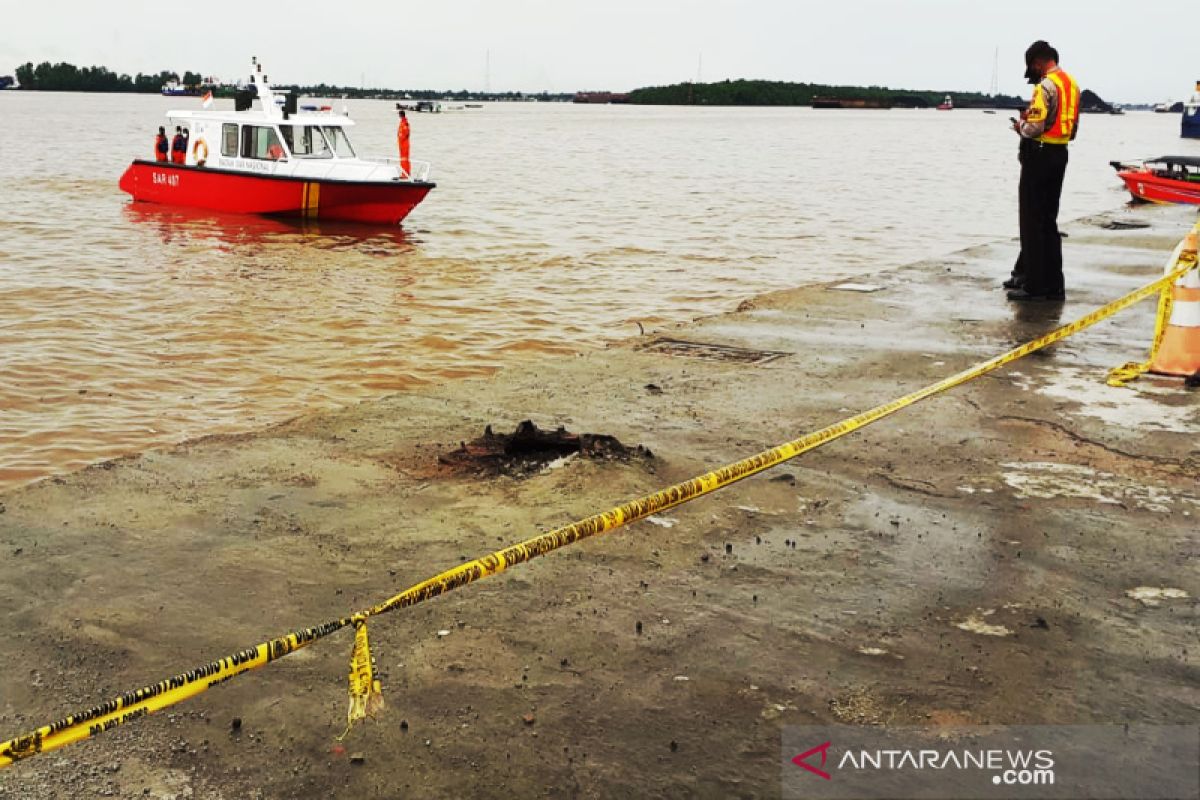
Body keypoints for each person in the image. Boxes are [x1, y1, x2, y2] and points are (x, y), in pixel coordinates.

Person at [1006, 41, 1080, 302]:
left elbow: (1035, 127)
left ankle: (1035, 286)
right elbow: (1072, 127)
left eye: (1032, 66)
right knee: (1048, 221)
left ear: (1037, 62)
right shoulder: (1071, 84)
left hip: (1039, 154)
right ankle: (1053, 284)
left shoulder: (1045, 86)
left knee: (1032, 221)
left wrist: (1021, 127)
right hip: (1060, 154)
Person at [397, 108, 411, 177]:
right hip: (402, 144)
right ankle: (404, 173)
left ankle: (405, 174)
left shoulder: (405, 123)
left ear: (401, 115)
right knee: (403, 160)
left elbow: (406, 134)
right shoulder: (402, 123)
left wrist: (402, 141)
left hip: (404, 144)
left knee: (405, 160)